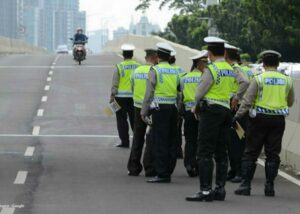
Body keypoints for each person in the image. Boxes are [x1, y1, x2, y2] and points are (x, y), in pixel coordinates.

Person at [186, 36, 249, 202]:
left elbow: (199, 92)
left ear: (209, 53)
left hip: (211, 111)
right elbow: (245, 82)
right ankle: (220, 190)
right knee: (221, 152)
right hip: (226, 111)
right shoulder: (230, 68)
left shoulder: (211, 69)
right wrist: (236, 97)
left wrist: (195, 105)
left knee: (204, 151)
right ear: (224, 52)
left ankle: (205, 191)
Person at [234, 50, 294, 197]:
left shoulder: (259, 78)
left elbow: (247, 101)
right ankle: (269, 187)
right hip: (278, 120)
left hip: (258, 120)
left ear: (263, 63)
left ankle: (245, 186)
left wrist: (237, 116)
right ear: (278, 64)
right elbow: (290, 102)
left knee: (251, 152)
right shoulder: (287, 80)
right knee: (273, 154)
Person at [141, 42, 179, 183]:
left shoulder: (155, 70)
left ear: (157, 56)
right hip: (172, 108)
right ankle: (168, 170)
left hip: (159, 110)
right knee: (171, 140)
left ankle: (162, 173)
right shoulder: (175, 71)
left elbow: (149, 93)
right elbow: (179, 92)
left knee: (159, 141)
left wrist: (144, 111)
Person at [127, 49, 158, 176]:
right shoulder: (155, 71)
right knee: (151, 138)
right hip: (151, 107)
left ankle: (133, 167)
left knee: (137, 137)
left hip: (137, 106)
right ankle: (149, 168)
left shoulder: (136, 71)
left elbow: (132, 87)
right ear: (155, 57)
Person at [225, 43, 252, 183]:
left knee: (236, 142)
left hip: (237, 110)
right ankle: (235, 170)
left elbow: (245, 83)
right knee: (238, 141)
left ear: (226, 55)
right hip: (245, 111)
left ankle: (239, 172)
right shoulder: (247, 69)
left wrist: (236, 97)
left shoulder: (234, 69)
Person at [180, 50, 208, 177]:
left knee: (190, 139)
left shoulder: (185, 77)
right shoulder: (205, 78)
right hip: (202, 112)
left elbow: (181, 94)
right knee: (201, 139)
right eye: (205, 63)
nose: (207, 65)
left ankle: (189, 164)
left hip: (188, 112)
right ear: (199, 64)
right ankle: (199, 165)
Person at [110, 44, 140, 148]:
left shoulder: (119, 66)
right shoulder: (138, 66)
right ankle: (137, 142)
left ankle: (125, 142)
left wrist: (112, 96)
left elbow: (115, 83)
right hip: (134, 97)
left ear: (123, 55)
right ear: (132, 54)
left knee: (121, 120)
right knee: (134, 119)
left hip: (120, 97)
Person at [169, 50, 186, 159]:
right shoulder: (181, 70)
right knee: (178, 127)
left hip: (167, 101)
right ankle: (178, 150)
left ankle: (168, 150)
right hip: (179, 102)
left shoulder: (160, 70)